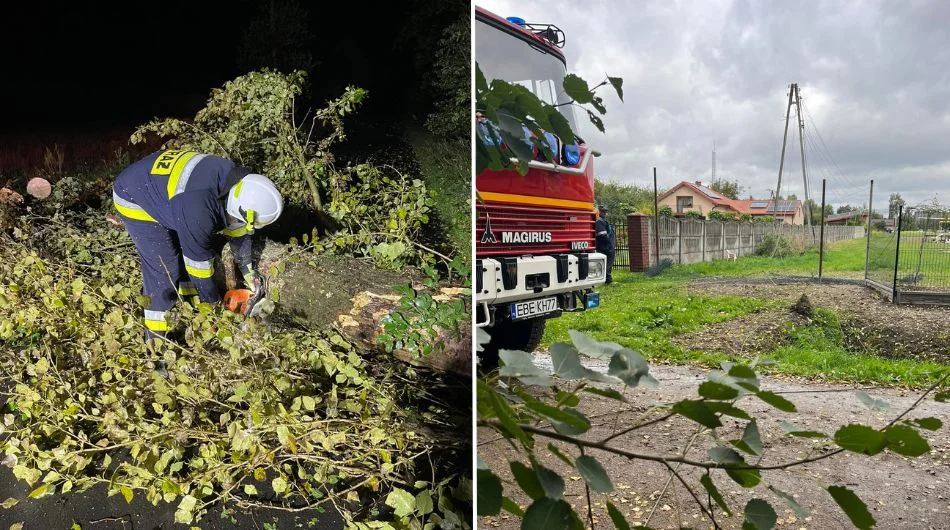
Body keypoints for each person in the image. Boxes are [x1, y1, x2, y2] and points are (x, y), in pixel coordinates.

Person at [111, 148, 284, 341]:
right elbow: (198, 265)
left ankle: (190, 309)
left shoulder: (236, 183)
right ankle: (154, 344)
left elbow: (238, 228)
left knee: (183, 246)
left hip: (168, 189)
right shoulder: (198, 212)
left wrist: (248, 271)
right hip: (134, 195)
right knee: (164, 269)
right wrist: (212, 304)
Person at [595, 204, 616, 284]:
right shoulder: (599, 221)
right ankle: (608, 280)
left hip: (608, 246)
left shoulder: (603, 221)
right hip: (605, 247)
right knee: (607, 263)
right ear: (599, 211)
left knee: (608, 263)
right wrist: (610, 244)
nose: (605, 213)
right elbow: (602, 235)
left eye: (605, 211)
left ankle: (607, 278)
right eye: (603, 211)